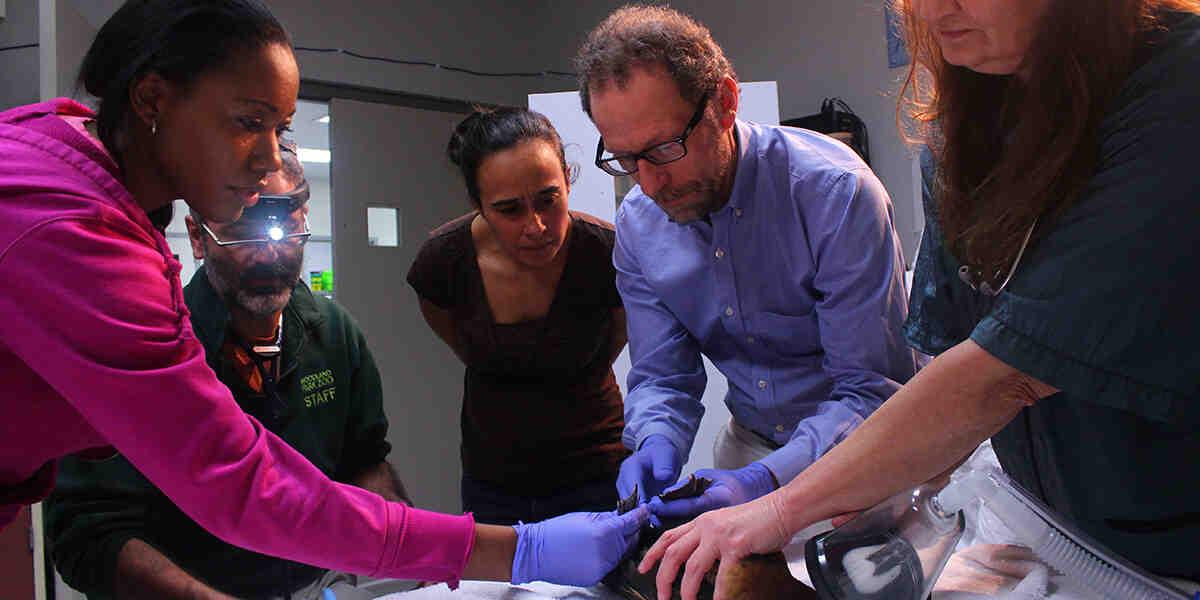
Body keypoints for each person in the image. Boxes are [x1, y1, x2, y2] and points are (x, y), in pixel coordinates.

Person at [0, 0, 646, 591]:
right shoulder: (76, 233)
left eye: (280, 126)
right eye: (248, 122)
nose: (268, 159)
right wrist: (514, 551)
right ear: (151, 100)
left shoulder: (63, 146)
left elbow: (356, 460)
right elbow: (242, 486)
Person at [641, 1, 1200, 598]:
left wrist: (781, 507)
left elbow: (1005, 375)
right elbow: (957, 356)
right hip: (1042, 522)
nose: (930, 8)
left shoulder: (1175, 91)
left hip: (1168, 549)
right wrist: (884, 498)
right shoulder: (971, 121)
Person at [573, 5, 921, 519]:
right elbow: (663, 377)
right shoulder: (639, 225)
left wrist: (765, 483)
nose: (648, 184)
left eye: (665, 148)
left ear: (726, 103)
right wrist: (652, 442)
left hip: (863, 454)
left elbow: (870, 391)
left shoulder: (834, 194)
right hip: (748, 449)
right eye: (625, 160)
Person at [45, 146, 411, 600]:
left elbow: (364, 460)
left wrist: (409, 545)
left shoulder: (334, 334)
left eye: (285, 227)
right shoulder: (139, 345)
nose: (268, 254)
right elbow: (87, 533)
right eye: (241, 231)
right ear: (197, 237)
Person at [407, 108, 630, 526]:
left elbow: (614, 342)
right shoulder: (443, 262)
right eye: (510, 210)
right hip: (492, 478)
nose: (537, 226)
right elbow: (459, 340)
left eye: (549, 199)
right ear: (478, 205)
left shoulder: (606, 254)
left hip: (597, 471)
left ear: (567, 178)